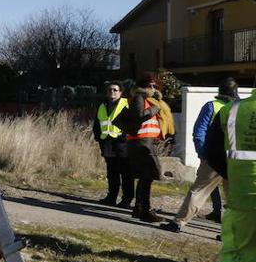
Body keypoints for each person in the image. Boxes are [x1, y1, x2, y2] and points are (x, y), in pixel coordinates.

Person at [202, 89, 256, 262]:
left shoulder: (231, 111)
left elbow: (211, 152)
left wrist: (234, 173)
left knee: (238, 260)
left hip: (242, 199)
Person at [165, 78, 238, 233]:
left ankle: (178, 222)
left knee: (198, 191)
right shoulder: (240, 109)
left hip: (213, 157)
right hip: (233, 158)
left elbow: (199, 132)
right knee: (234, 198)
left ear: (220, 92)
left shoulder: (211, 106)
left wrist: (202, 153)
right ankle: (230, 233)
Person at [117, 75, 163, 222]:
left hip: (142, 142)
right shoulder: (139, 97)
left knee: (145, 177)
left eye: (155, 86)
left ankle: (139, 208)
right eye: (151, 86)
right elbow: (139, 116)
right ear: (144, 86)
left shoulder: (143, 98)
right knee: (147, 176)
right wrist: (155, 109)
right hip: (142, 143)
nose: (154, 89)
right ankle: (145, 210)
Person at [92, 81, 133, 210]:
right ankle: (111, 197)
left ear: (120, 92)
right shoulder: (102, 105)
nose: (112, 92)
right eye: (110, 90)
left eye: (115, 90)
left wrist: (125, 136)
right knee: (112, 172)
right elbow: (97, 124)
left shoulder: (126, 104)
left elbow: (132, 123)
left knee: (126, 173)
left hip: (122, 144)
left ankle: (126, 199)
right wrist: (98, 138)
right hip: (107, 143)